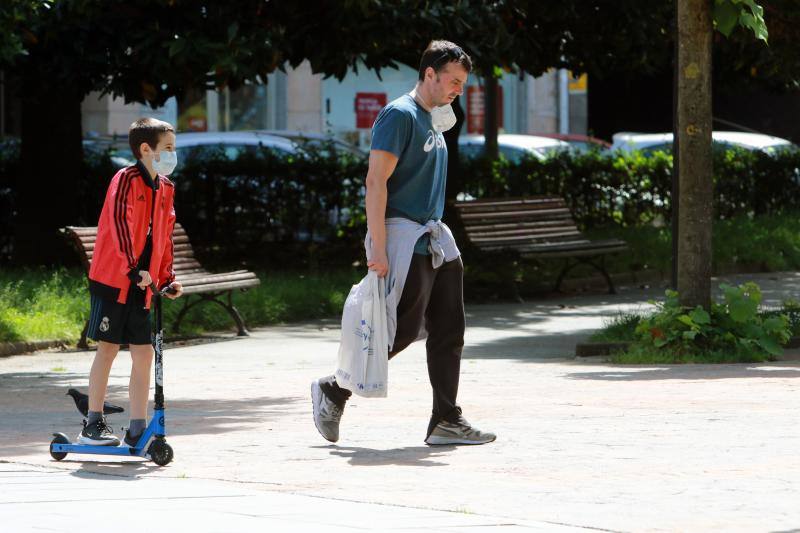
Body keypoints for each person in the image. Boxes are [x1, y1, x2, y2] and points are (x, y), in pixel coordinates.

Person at [311, 40, 496, 446]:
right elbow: (376, 181)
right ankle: (333, 388)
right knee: (402, 330)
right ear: (429, 73)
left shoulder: (435, 116)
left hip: (434, 237)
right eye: (452, 81)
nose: (457, 91)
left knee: (450, 328)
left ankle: (445, 418)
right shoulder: (399, 115)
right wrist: (376, 246)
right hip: (403, 236)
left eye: (463, 84)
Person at [78, 117, 183, 447]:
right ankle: (93, 422)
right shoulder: (125, 179)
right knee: (107, 349)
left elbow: (164, 237)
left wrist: (165, 278)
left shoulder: (165, 188)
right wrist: (133, 269)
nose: (172, 155)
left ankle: (137, 426)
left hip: (144, 286)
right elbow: (120, 226)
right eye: (167, 148)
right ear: (145, 149)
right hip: (115, 279)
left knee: (143, 353)